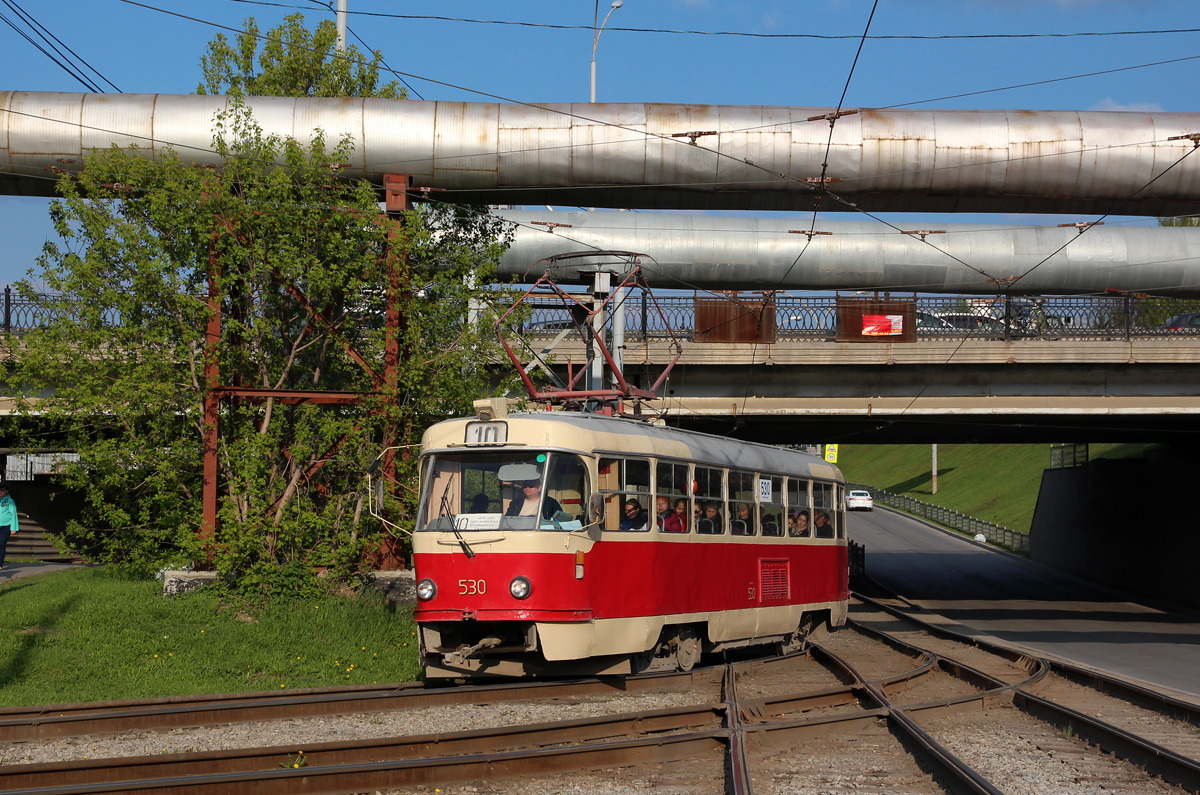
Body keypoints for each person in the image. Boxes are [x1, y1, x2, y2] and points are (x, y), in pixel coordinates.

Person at [0, 485, 18, 570]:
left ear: (6, 491)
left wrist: (13, 528)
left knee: (1, 544)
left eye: (2, 490)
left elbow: (13, 514)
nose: (0, 492)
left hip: (6, 526)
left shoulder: (10, 501)